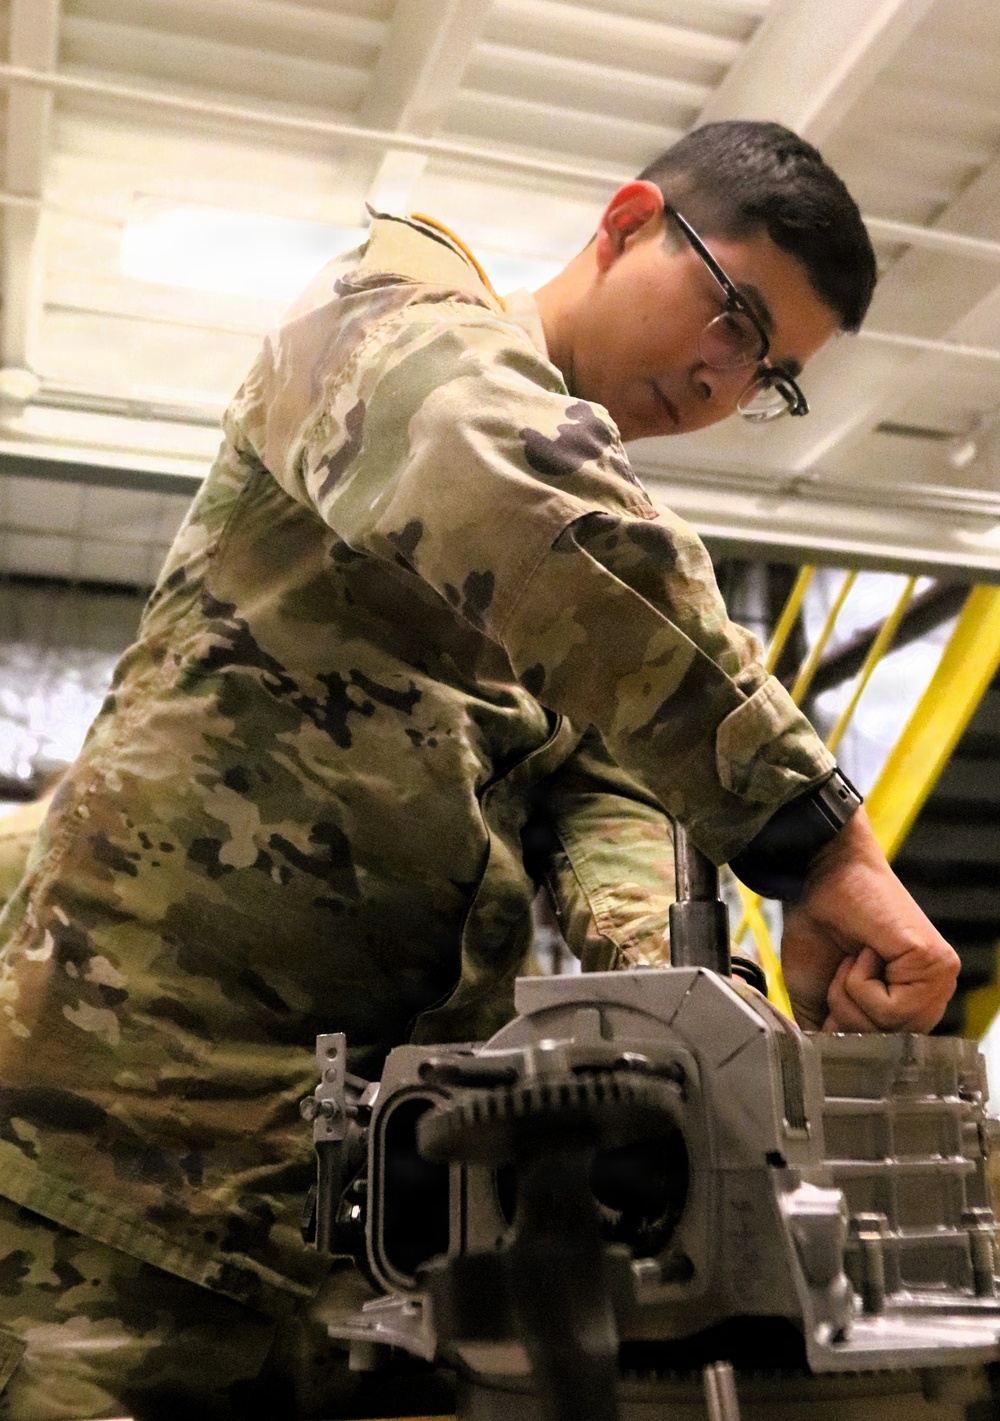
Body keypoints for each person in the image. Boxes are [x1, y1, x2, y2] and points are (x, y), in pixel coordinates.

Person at [0, 121, 959, 1419]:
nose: (728, 380)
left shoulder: (583, 546)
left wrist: (705, 1007)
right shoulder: (387, 319)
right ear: (626, 222)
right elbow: (517, 492)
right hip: (116, 1161)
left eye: (772, 374)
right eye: (732, 315)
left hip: (374, 1214)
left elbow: (604, 792)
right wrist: (821, 844)